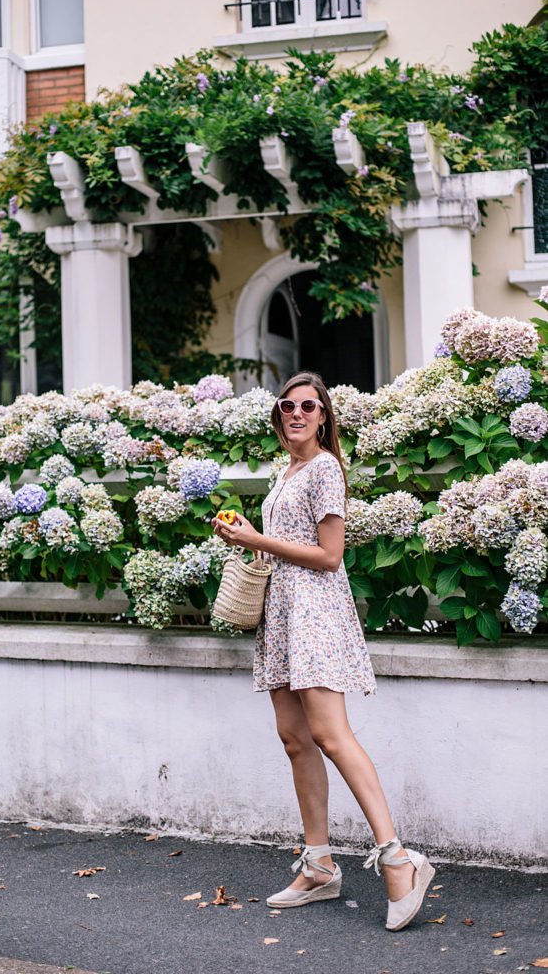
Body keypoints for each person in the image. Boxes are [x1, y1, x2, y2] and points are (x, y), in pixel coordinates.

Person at [211, 371, 435, 931]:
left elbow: (331, 555)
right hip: (283, 611)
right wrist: (244, 533)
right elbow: (288, 544)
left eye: (308, 406)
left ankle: (400, 860)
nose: (296, 413)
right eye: (287, 405)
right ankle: (319, 866)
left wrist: (256, 540)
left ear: (324, 417)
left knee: (332, 735)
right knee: (295, 739)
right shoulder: (285, 471)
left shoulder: (326, 467)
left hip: (313, 612)